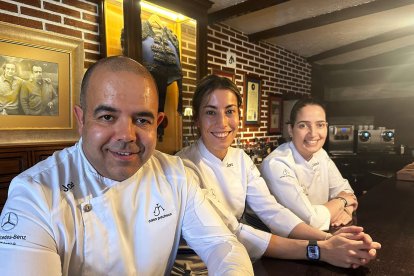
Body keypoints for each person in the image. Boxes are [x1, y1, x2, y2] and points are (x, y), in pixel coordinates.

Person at [0, 56, 253, 275]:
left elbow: (222, 244)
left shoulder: (176, 175)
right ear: (81, 119)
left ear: (158, 123)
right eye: (107, 117)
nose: (126, 135)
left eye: (142, 120)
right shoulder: (33, 195)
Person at [175, 75, 380, 272]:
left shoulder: (241, 159)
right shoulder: (184, 167)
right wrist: (320, 249)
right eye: (211, 112)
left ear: (239, 114)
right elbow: (233, 231)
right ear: (197, 120)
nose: (222, 122)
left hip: (239, 258)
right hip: (198, 269)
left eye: (229, 111)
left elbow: (272, 211)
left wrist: (328, 240)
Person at [261, 98, 357, 230]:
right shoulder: (276, 163)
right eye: (303, 125)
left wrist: (346, 211)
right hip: (289, 244)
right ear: (290, 129)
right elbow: (310, 221)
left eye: (320, 125)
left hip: (325, 234)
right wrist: (343, 201)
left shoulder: (321, 153)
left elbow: (347, 192)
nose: (313, 134)